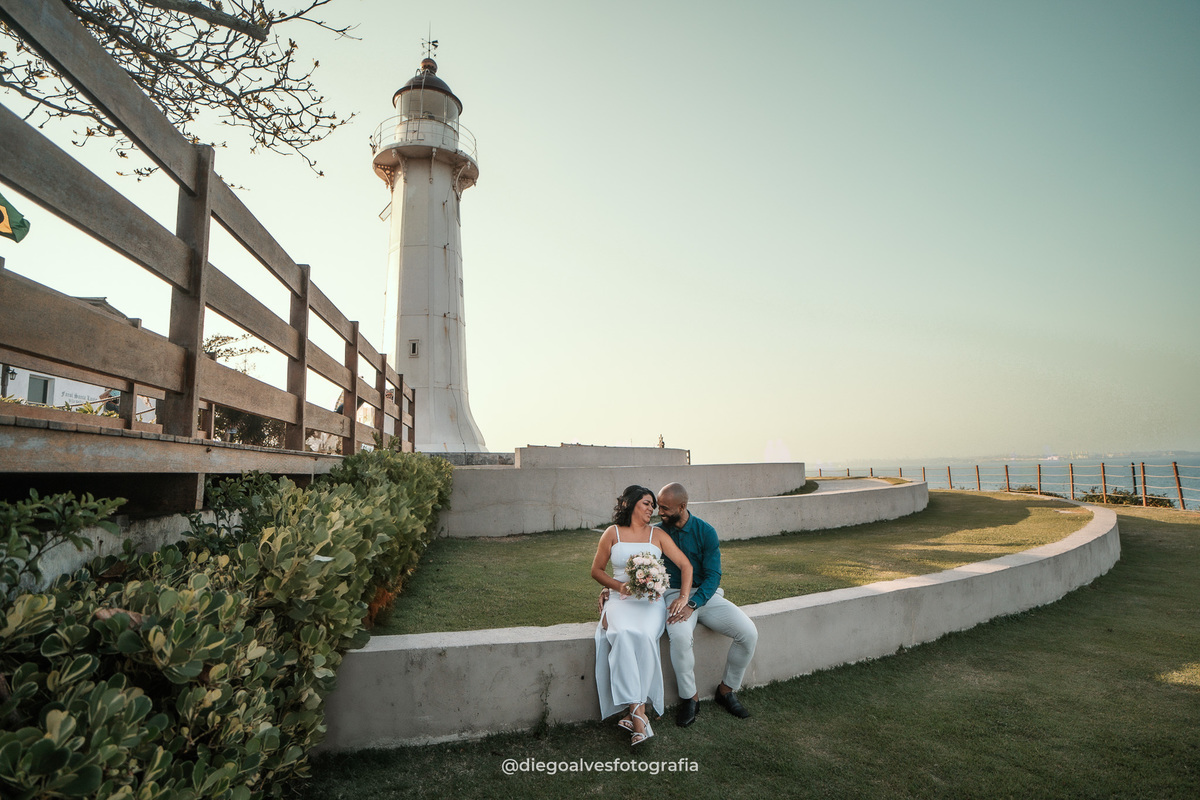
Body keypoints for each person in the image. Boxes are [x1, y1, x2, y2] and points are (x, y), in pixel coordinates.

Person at [591, 485, 693, 745]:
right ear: (629, 503)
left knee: (646, 636)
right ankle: (640, 716)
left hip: (650, 602)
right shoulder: (612, 533)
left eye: (653, 505)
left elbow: (685, 565)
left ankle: (634, 714)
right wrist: (618, 587)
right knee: (622, 634)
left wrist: (683, 597)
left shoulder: (657, 534)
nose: (651, 509)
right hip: (620, 600)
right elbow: (596, 570)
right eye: (646, 503)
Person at [658, 482, 758, 727]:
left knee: (748, 633)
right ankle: (690, 698)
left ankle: (726, 690)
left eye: (665, 508)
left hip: (706, 595)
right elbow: (635, 562)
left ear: (682, 506)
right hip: (674, 595)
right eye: (659, 506)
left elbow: (713, 575)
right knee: (680, 636)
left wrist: (693, 603)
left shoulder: (706, 531)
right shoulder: (657, 532)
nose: (660, 512)